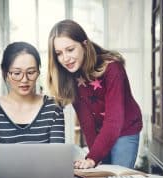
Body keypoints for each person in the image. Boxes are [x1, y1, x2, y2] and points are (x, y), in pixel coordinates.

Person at [47, 19, 142, 169]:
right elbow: (86, 121)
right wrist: (95, 158)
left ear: (85, 45)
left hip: (124, 128)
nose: (65, 58)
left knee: (117, 175)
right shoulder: (71, 75)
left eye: (70, 49)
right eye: (59, 53)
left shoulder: (113, 69)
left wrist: (92, 158)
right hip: (101, 132)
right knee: (102, 173)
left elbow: (114, 121)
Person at [0, 42, 65, 177]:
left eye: (31, 72)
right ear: (5, 73)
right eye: (17, 73)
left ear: (38, 72)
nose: (24, 80)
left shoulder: (53, 108)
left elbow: (57, 155)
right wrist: (8, 172)